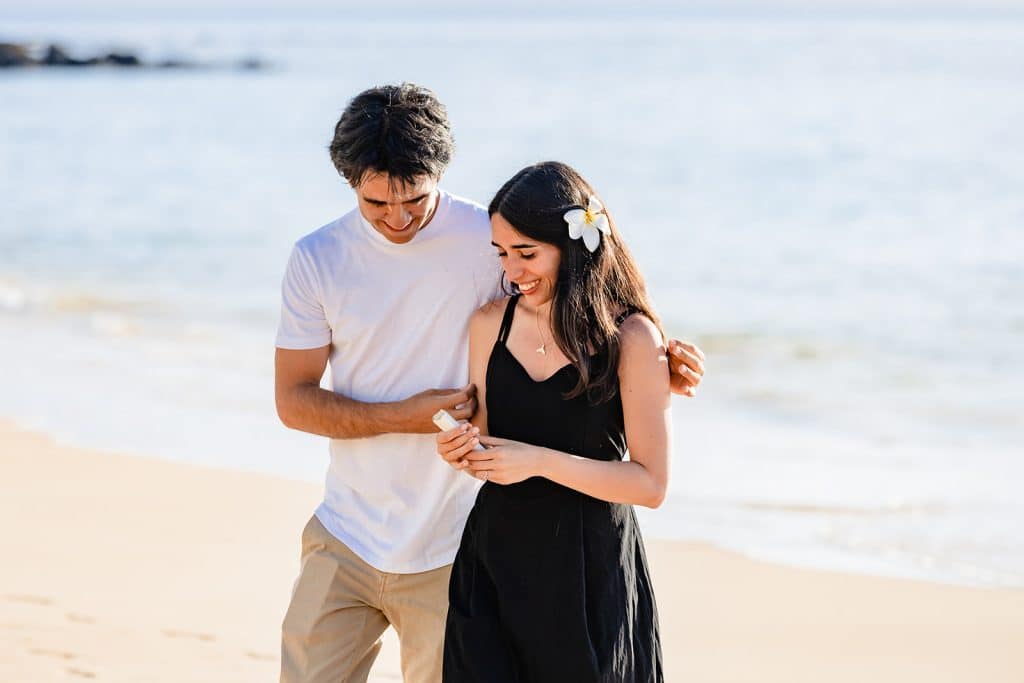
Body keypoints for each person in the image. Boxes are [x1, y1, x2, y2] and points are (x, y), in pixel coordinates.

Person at [274, 83, 705, 683]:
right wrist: (422, 423)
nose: (397, 220)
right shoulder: (320, 259)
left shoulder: (488, 235)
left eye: (414, 200)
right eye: (377, 204)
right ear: (349, 183)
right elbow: (294, 401)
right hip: (358, 529)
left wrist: (655, 371)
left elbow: (589, 307)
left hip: (466, 545)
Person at [435, 161, 670, 682]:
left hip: (588, 574)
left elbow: (650, 483)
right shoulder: (488, 325)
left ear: (574, 245)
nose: (513, 271)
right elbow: (492, 448)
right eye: (502, 254)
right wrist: (463, 453)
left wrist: (537, 461)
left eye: (527, 253)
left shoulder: (632, 339)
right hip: (494, 563)